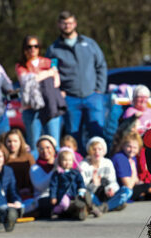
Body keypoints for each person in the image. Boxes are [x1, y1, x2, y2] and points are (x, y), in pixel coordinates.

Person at [46, 10, 107, 151]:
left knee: (97, 136)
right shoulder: (54, 49)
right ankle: (76, 166)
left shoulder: (89, 44)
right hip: (70, 99)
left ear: (75, 24)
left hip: (93, 96)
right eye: (64, 23)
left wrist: (99, 89)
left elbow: (101, 65)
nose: (67, 26)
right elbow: (50, 73)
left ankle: (99, 168)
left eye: (70, 23)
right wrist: (58, 92)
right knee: (73, 137)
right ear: (59, 25)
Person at [15, 35, 63, 152]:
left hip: (50, 105)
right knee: (34, 145)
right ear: (24, 49)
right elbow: (25, 80)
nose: (33, 49)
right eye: (29, 46)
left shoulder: (49, 62)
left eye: (36, 46)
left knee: (53, 144)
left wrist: (42, 75)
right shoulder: (21, 65)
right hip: (30, 108)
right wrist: (48, 73)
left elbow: (56, 82)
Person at [79, 136, 132, 212]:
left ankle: (103, 207)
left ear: (104, 151)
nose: (97, 152)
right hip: (93, 195)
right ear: (89, 151)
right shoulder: (83, 165)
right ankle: (113, 205)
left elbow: (113, 182)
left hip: (107, 195)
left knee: (127, 191)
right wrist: (94, 185)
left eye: (100, 149)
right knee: (87, 195)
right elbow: (82, 188)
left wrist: (111, 189)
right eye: (94, 149)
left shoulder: (108, 163)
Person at [49, 147, 95, 219]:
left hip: (75, 193)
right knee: (64, 204)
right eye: (65, 160)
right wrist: (53, 196)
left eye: (70, 160)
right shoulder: (57, 173)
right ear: (60, 161)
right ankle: (56, 211)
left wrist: (81, 191)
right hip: (63, 194)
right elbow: (53, 186)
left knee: (82, 200)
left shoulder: (75, 172)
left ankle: (88, 208)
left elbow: (81, 182)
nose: (67, 162)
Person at [111, 131, 151, 201]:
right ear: (123, 146)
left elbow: (135, 180)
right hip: (119, 192)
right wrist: (133, 169)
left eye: (135, 147)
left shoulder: (132, 157)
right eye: (129, 146)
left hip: (130, 188)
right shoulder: (120, 158)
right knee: (149, 188)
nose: (132, 150)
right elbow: (128, 186)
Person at [0, 142, 23, 214]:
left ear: (4, 157)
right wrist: (5, 204)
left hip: (9, 204)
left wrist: (16, 201)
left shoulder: (9, 170)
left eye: (0, 157)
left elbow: (13, 190)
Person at [29, 134, 57, 217]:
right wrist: (54, 171)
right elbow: (40, 186)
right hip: (43, 197)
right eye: (41, 149)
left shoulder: (61, 162)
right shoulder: (35, 168)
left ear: (53, 148)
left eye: (48, 147)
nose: (45, 151)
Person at [3, 128, 36, 200]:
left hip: (27, 192)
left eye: (15, 141)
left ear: (20, 142)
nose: (12, 144)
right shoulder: (2, 158)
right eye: (9, 141)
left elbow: (34, 176)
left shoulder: (28, 157)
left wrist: (29, 189)